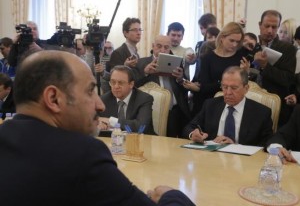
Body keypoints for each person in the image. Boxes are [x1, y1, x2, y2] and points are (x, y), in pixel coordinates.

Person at [0, 50, 195, 205]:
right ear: (53, 98)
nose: (100, 105)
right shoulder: (81, 155)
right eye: (90, 91)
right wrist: (173, 197)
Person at [182, 66, 273, 147]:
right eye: (224, 87)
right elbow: (189, 127)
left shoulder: (261, 112)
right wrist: (193, 134)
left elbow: (267, 143)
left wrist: (235, 146)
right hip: (211, 159)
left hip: (243, 162)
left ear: (246, 89)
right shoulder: (210, 105)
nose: (228, 93)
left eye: (234, 88)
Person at [183, 22, 249, 116]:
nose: (235, 45)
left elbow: (245, 84)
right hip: (211, 102)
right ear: (222, 37)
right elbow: (204, 86)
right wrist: (225, 84)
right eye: (231, 40)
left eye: (238, 42)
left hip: (235, 103)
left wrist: (246, 73)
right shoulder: (207, 58)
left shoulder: (242, 56)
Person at [135, 35, 191, 137]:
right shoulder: (141, 63)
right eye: (159, 46)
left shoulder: (177, 61)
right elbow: (133, 87)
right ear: (153, 46)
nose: (162, 50)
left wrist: (180, 78)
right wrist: (145, 73)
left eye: (166, 47)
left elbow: (186, 87)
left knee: (173, 145)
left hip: (174, 111)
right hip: (151, 110)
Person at [254, 10, 297, 127]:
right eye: (267, 26)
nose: (270, 31)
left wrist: (265, 66)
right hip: (250, 103)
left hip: (275, 107)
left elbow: (287, 79)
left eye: (274, 27)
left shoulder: (288, 49)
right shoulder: (252, 46)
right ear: (259, 25)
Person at [99, 65, 156, 135]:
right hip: (115, 142)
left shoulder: (144, 99)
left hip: (143, 141)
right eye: (113, 82)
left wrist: (111, 121)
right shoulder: (104, 99)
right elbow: (93, 119)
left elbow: (140, 126)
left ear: (131, 84)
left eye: (121, 83)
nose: (116, 86)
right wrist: (98, 123)